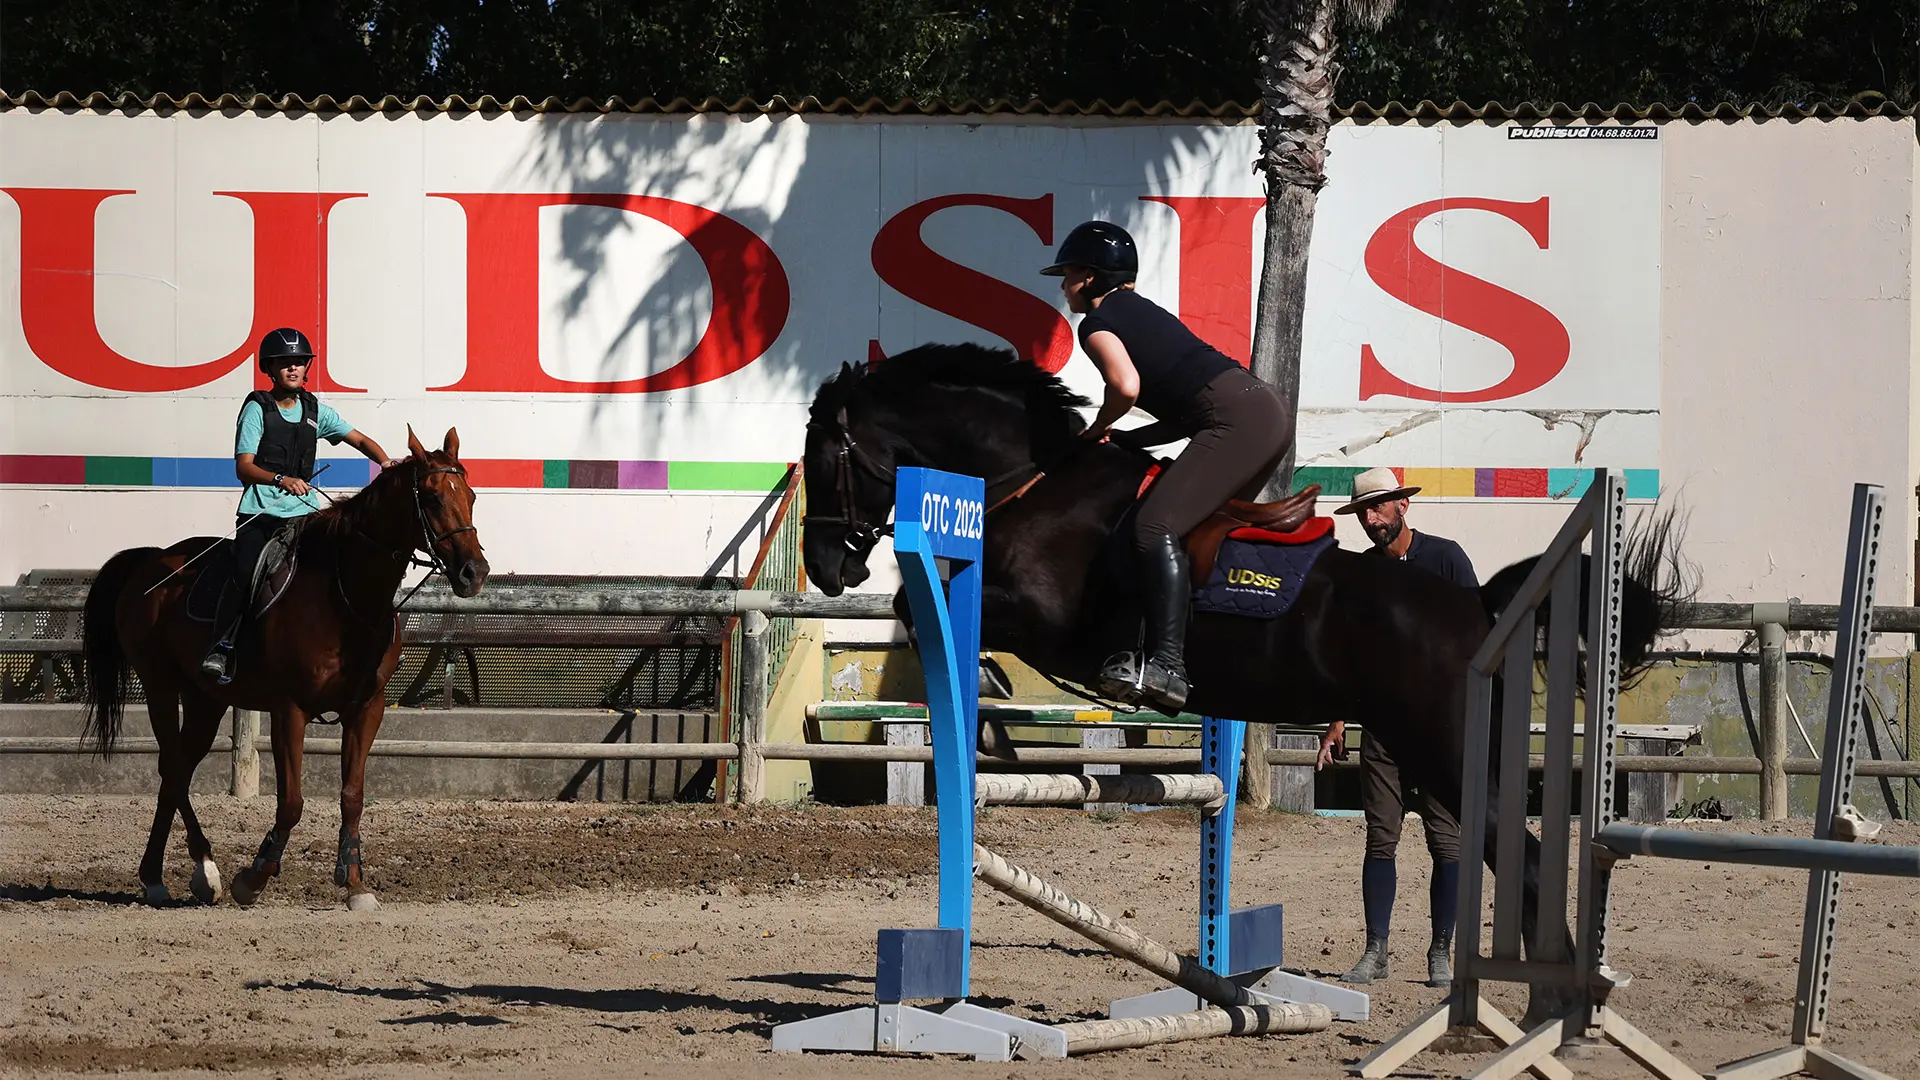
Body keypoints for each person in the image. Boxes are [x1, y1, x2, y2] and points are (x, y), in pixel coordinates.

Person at [1039, 220, 1291, 716]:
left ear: (1089, 277)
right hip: (1265, 414)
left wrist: (1097, 428)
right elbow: (1182, 415)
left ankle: (1169, 665)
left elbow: (1126, 387)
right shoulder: (1142, 312)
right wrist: (1130, 438)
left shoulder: (1096, 324)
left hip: (1237, 420)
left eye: (1067, 275)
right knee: (1199, 531)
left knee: (1154, 526)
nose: (1064, 286)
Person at [1320, 466, 1478, 987]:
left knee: (1446, 841)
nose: (1370, 518)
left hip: (1438, 726)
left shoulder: (1447, 558)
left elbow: (1479, 637)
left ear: (1402, 506)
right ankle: (1376, 950)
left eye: (1379, 507)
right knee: (1379, 837)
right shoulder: (1362, 573)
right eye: (1364, 511)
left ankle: (1440, 950)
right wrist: (1337, 719)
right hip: (1382, 722)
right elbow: (1347, 654)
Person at [198, 329, 398, 684]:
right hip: (261, 514)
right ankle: (223, 645)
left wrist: (385, 463)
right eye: (284, 363)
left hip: (304, 518)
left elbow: (361, 439)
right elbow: (243, 466)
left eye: (298, 363)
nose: (292, 368)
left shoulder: (316, 411)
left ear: (306, 369)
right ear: (270, 369)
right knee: (246, 573)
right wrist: (280, 479)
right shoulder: (257, 408)